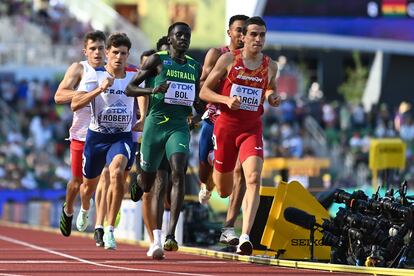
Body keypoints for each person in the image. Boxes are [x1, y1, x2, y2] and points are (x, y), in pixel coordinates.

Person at [200, 16, 281, 255]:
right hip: (226, 127)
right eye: (253, 34)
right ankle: (213, 175)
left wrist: (272, 97)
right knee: (225, 190)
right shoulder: (228, 59)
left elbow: (270, 87)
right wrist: (226, 99)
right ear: (243, 37)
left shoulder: (271, 65)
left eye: (262, 35)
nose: (258, 39)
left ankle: (245, 236)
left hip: (251, 129)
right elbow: (204, 91)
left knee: (254, 178)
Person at [126, 22, 204, 256]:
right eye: (179, 35)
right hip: (154, 125)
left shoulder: (194, 67)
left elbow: (198, 99)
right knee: (148, 184)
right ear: (170, 39)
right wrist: (153, 91)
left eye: (187, 36)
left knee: (177, 173)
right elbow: (130, 88)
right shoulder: (156, 60)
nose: (184, 39)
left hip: (178, 126)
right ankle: (138, 181)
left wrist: (199, 114)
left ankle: (168, 235)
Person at [72, 33, 139, 250]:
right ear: (107, 53)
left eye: (124, 53)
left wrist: (144, 118)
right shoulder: (94, 76)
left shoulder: (133, 77)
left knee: (117, 173)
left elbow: (144, 97)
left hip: (121, 137)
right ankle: (84, 208)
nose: (119, 57)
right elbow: (75, 104)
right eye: (115, 52)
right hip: (96, 138)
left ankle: (110, 229)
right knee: (87, 188)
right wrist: (99, 90)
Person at [197, 14, 248, 247]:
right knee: (204, 170)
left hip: (239, 125)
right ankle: (206, 185)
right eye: (238, 30)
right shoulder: (217, 54)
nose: (242, 35)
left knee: (241, 173)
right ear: (229, 32)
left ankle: (229, 228)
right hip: (214, 117)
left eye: (246, 31)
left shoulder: (256, 62)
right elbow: (203, 85)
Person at [54, 31, 106, 240]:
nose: (97, 52)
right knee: (77, 183)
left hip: (104, 135)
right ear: (85, 51)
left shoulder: (113, 72)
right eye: (92, 48)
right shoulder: (79, 68)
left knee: (105, 178)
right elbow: (59, 96)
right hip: (81, 134)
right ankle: (68, 209)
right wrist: (84, 94)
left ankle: (104, 224)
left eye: (101, 48)